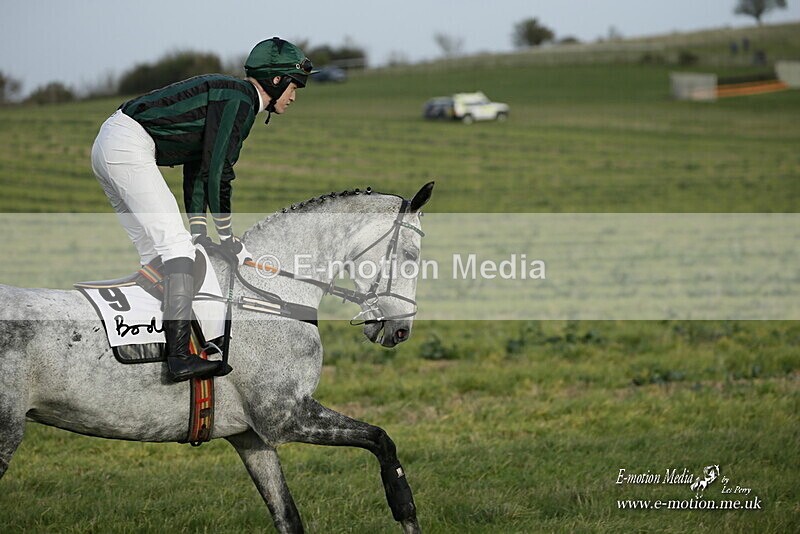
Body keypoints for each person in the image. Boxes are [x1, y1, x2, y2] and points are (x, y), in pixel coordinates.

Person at [91, 37, 314, 382]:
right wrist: (227, 237)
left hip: (112, 142)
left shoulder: (234, 96)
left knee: (159, 254)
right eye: (294, 86)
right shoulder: (240, 100)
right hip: (128, 146)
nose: (294, 96)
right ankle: (180, 357)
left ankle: (153, 346)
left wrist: (200, 231)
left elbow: (198, 168)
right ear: (276, 81)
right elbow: (219, 172)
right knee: (176, 248)